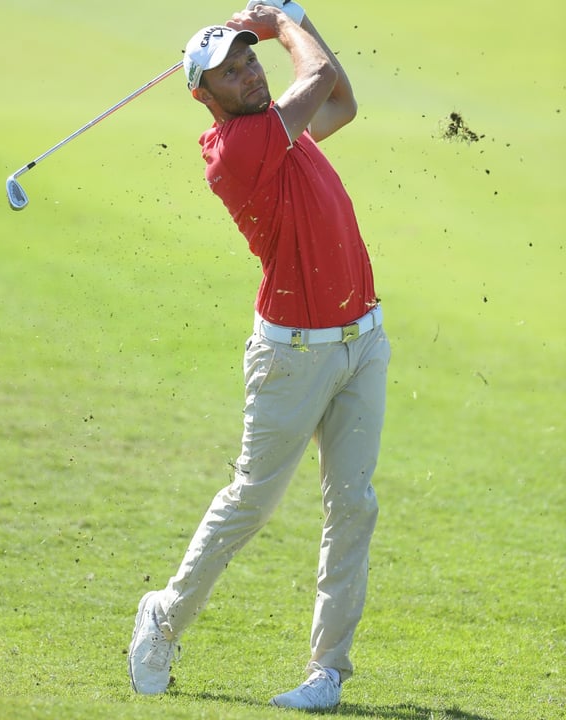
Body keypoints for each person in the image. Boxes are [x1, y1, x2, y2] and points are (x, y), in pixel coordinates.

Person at [126, 1, 390, 711]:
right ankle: (165, 616)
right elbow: (322, 71)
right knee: (252, 501)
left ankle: (326, 673)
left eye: (250, 61)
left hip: (362, 340)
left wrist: (285, 26)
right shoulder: (241, 150)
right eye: (229, 73)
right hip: (291, 358)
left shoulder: (284, 133)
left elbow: (343, 99)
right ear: (202, 97)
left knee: (352, 505)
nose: (247, 75)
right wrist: (282, 19)